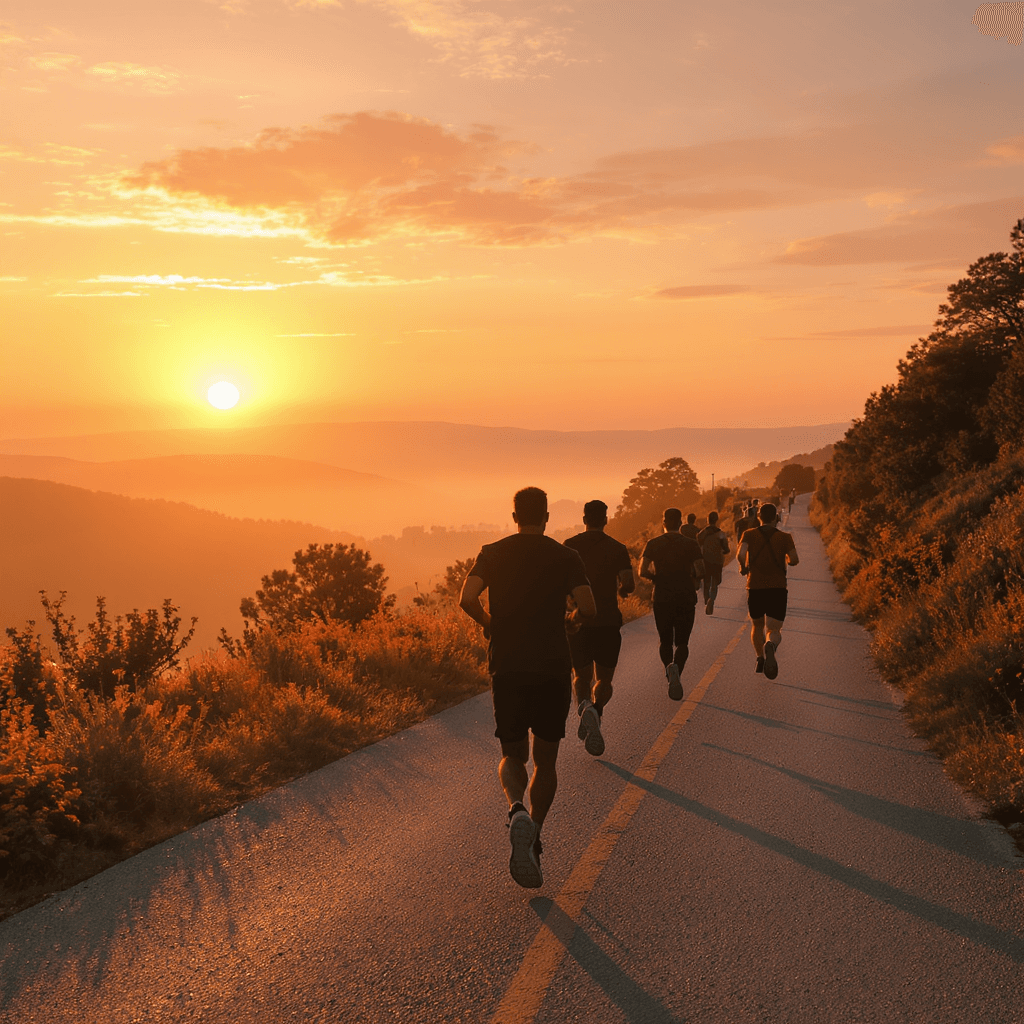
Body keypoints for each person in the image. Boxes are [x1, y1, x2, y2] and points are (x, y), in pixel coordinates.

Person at [460, 486, 596, 889]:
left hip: (508, 664)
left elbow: (466, 598)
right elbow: (588, 607)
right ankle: (533, 831)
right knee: (546, 760)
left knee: (512, 753)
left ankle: (516, 808)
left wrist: (490, 625)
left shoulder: (492, 551)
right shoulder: (565, 556)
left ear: (514, 514)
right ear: (547, 516)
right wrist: (571, 621)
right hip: (553, 666)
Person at [563, 500, 635, 757]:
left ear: (584, 518)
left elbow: (558, 585)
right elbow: (628, 582)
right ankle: (596, 710)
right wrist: (622, 589)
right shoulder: (617, 548)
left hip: (578, 621)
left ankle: (583, 707)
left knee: (581, 676)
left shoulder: (569, 546)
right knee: (604, 680)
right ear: (605, 520)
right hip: (607, 622)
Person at [639, 508, 705, 701]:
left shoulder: (653, 544)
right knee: (683, 642)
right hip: (685, 596)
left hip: (662, 597)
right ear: (680, 523)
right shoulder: (691, 544)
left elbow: (642, 570)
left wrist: (655, 578)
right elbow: (701, 570)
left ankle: (669, 668)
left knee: (665, 640)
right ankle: (677, 670)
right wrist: (690, 576)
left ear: (664, 522)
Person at [736, 502, 799, 680]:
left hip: (755, 586)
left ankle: (760, 659)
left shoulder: (749, 534)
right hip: (777, 588)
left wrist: (743, 567)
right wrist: (786, 558)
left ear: (759, 517)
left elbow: (741, 554)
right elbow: (794, 559)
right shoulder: (785, 537)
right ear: (776, 518)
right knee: (774, 628)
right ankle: (770, 644)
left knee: (757, 625)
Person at [697, 510, 730, 614]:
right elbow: (726, 548)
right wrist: (725, 551)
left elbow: (698, 545)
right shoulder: (721, 533)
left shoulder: (701, 533)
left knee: (706, 581)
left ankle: (707, 600)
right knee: (716, 581)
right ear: (717, 520)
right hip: (717, 560)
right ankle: (712, 598)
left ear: (708, 520)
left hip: (705, 560)